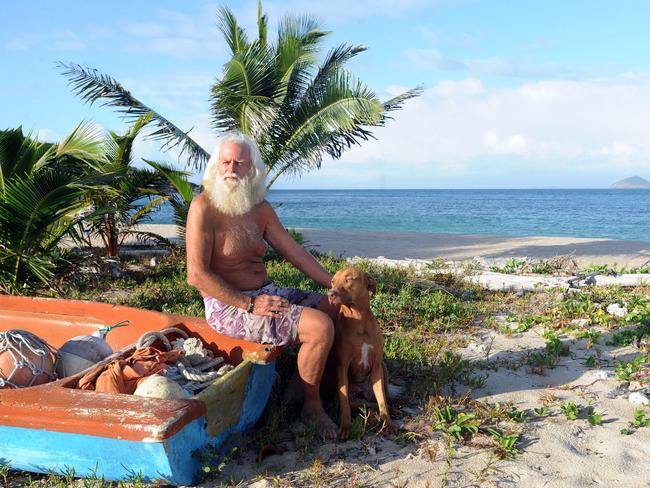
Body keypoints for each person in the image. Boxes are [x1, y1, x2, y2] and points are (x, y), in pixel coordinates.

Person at [186, 131, 338, 439]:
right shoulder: (203, 208)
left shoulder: (260, 209)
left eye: (239, 163)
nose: (231, 169)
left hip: (265, 293)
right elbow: (197, 275)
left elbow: (294, 252)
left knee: (332, 307)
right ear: (216, 167)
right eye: (225, 162)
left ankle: (299, 385)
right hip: (229, 306)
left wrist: (334, 284)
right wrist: (250, 304)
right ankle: (311, 407)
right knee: (319, 327)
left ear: (252, 170)